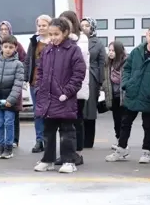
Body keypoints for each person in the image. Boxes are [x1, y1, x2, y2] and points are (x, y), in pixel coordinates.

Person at [106, 23, 150, 164]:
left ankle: (147, 152)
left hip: (148, 95)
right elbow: (127, 68)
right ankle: (121, 150)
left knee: (147, 124)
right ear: (146, 34)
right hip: (133, 92)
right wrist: (127, 83)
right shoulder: (137, 51)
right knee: (125, 122)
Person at [33, 18, 86, 174]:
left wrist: (67, 92)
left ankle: (69, 160)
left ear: (65, 33)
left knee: (67, 131)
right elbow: (41, 71)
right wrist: (40, 88)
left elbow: (78, 74)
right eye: (51, 34)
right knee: (48, 130)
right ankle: (47, 160)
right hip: (47, 98)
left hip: (64, 98)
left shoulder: (73, 50)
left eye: (56, 34)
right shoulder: (47, 50)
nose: (53, 37)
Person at [58, 10, 90, 166]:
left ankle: (77, 152)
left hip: (77, 86)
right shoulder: (62, 39)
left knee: (76, 120)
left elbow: (79, 61)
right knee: (63, 122)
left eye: (67, 21)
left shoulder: (81, 39)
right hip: (63, 87)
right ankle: (66, 152)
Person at [0, 36, 25, 159]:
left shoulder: (18, 64)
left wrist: (11, 100)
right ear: (1, 47)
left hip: (9, 101)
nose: (8, 49)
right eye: (6, 47)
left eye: (11, 47)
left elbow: (18, 84)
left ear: (15, 48)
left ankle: (8, 148)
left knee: (9, 123)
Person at [24, 14, 51, 153]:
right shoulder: (34, 41)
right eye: (39, 25)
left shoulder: (53, 41)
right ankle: (39, 140)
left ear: (49, 26)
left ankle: (48, 140)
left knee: (48, 112)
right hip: (34, 81)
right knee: (37, 113)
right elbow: (28, 59)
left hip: (48, 83)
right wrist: (25, 77)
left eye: (44, 25)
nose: (41, 28)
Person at [80, 17, 105, 149]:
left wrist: (101, 82)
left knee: (90, 111)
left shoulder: (98, 43)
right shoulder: (76, 41)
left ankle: (88, 141)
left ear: (92, 28)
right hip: (78, 76)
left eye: (87, 25)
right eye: (82, 25)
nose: (84, 27)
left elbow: (102, 64)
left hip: (92, 77)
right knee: (79, 108)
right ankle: (79, 138)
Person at [103, 40, 127, 150]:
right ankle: (119, 141)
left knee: (124, 121)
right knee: (116, 121)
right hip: (113, 96)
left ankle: (123, 144)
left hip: (123, 97)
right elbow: (106, 80)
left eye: (113, 50)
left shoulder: (126, 63)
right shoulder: (108, 63)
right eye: (110, 50)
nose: (111, 53)